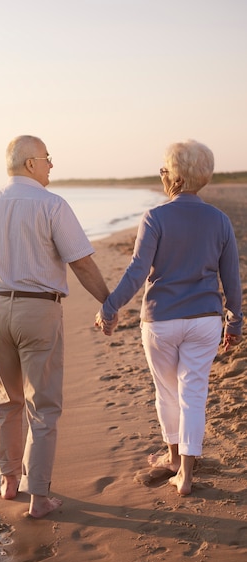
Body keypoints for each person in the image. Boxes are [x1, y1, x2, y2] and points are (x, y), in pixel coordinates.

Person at [0, 135, 111, 518]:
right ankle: (40, 497)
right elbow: (80, 262)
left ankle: (9, 481)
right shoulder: (53, 205)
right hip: (38, 310)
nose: (51, 165)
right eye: (47, 159)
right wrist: (109, 301)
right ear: (30, 163)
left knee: (6, 400)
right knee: (42, 407)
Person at [96, 139, 243, 496]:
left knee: (166, 392)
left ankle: (173, 457)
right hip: (206, 320)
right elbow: (232, 277)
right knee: (194, 393)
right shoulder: (220, 221)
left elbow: (137, 271)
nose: (162, 175)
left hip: (161, 321)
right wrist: (234, 323)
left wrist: (110, 307)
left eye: (164, 170)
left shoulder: (156, 217)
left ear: (173, 176)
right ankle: (186, 476)